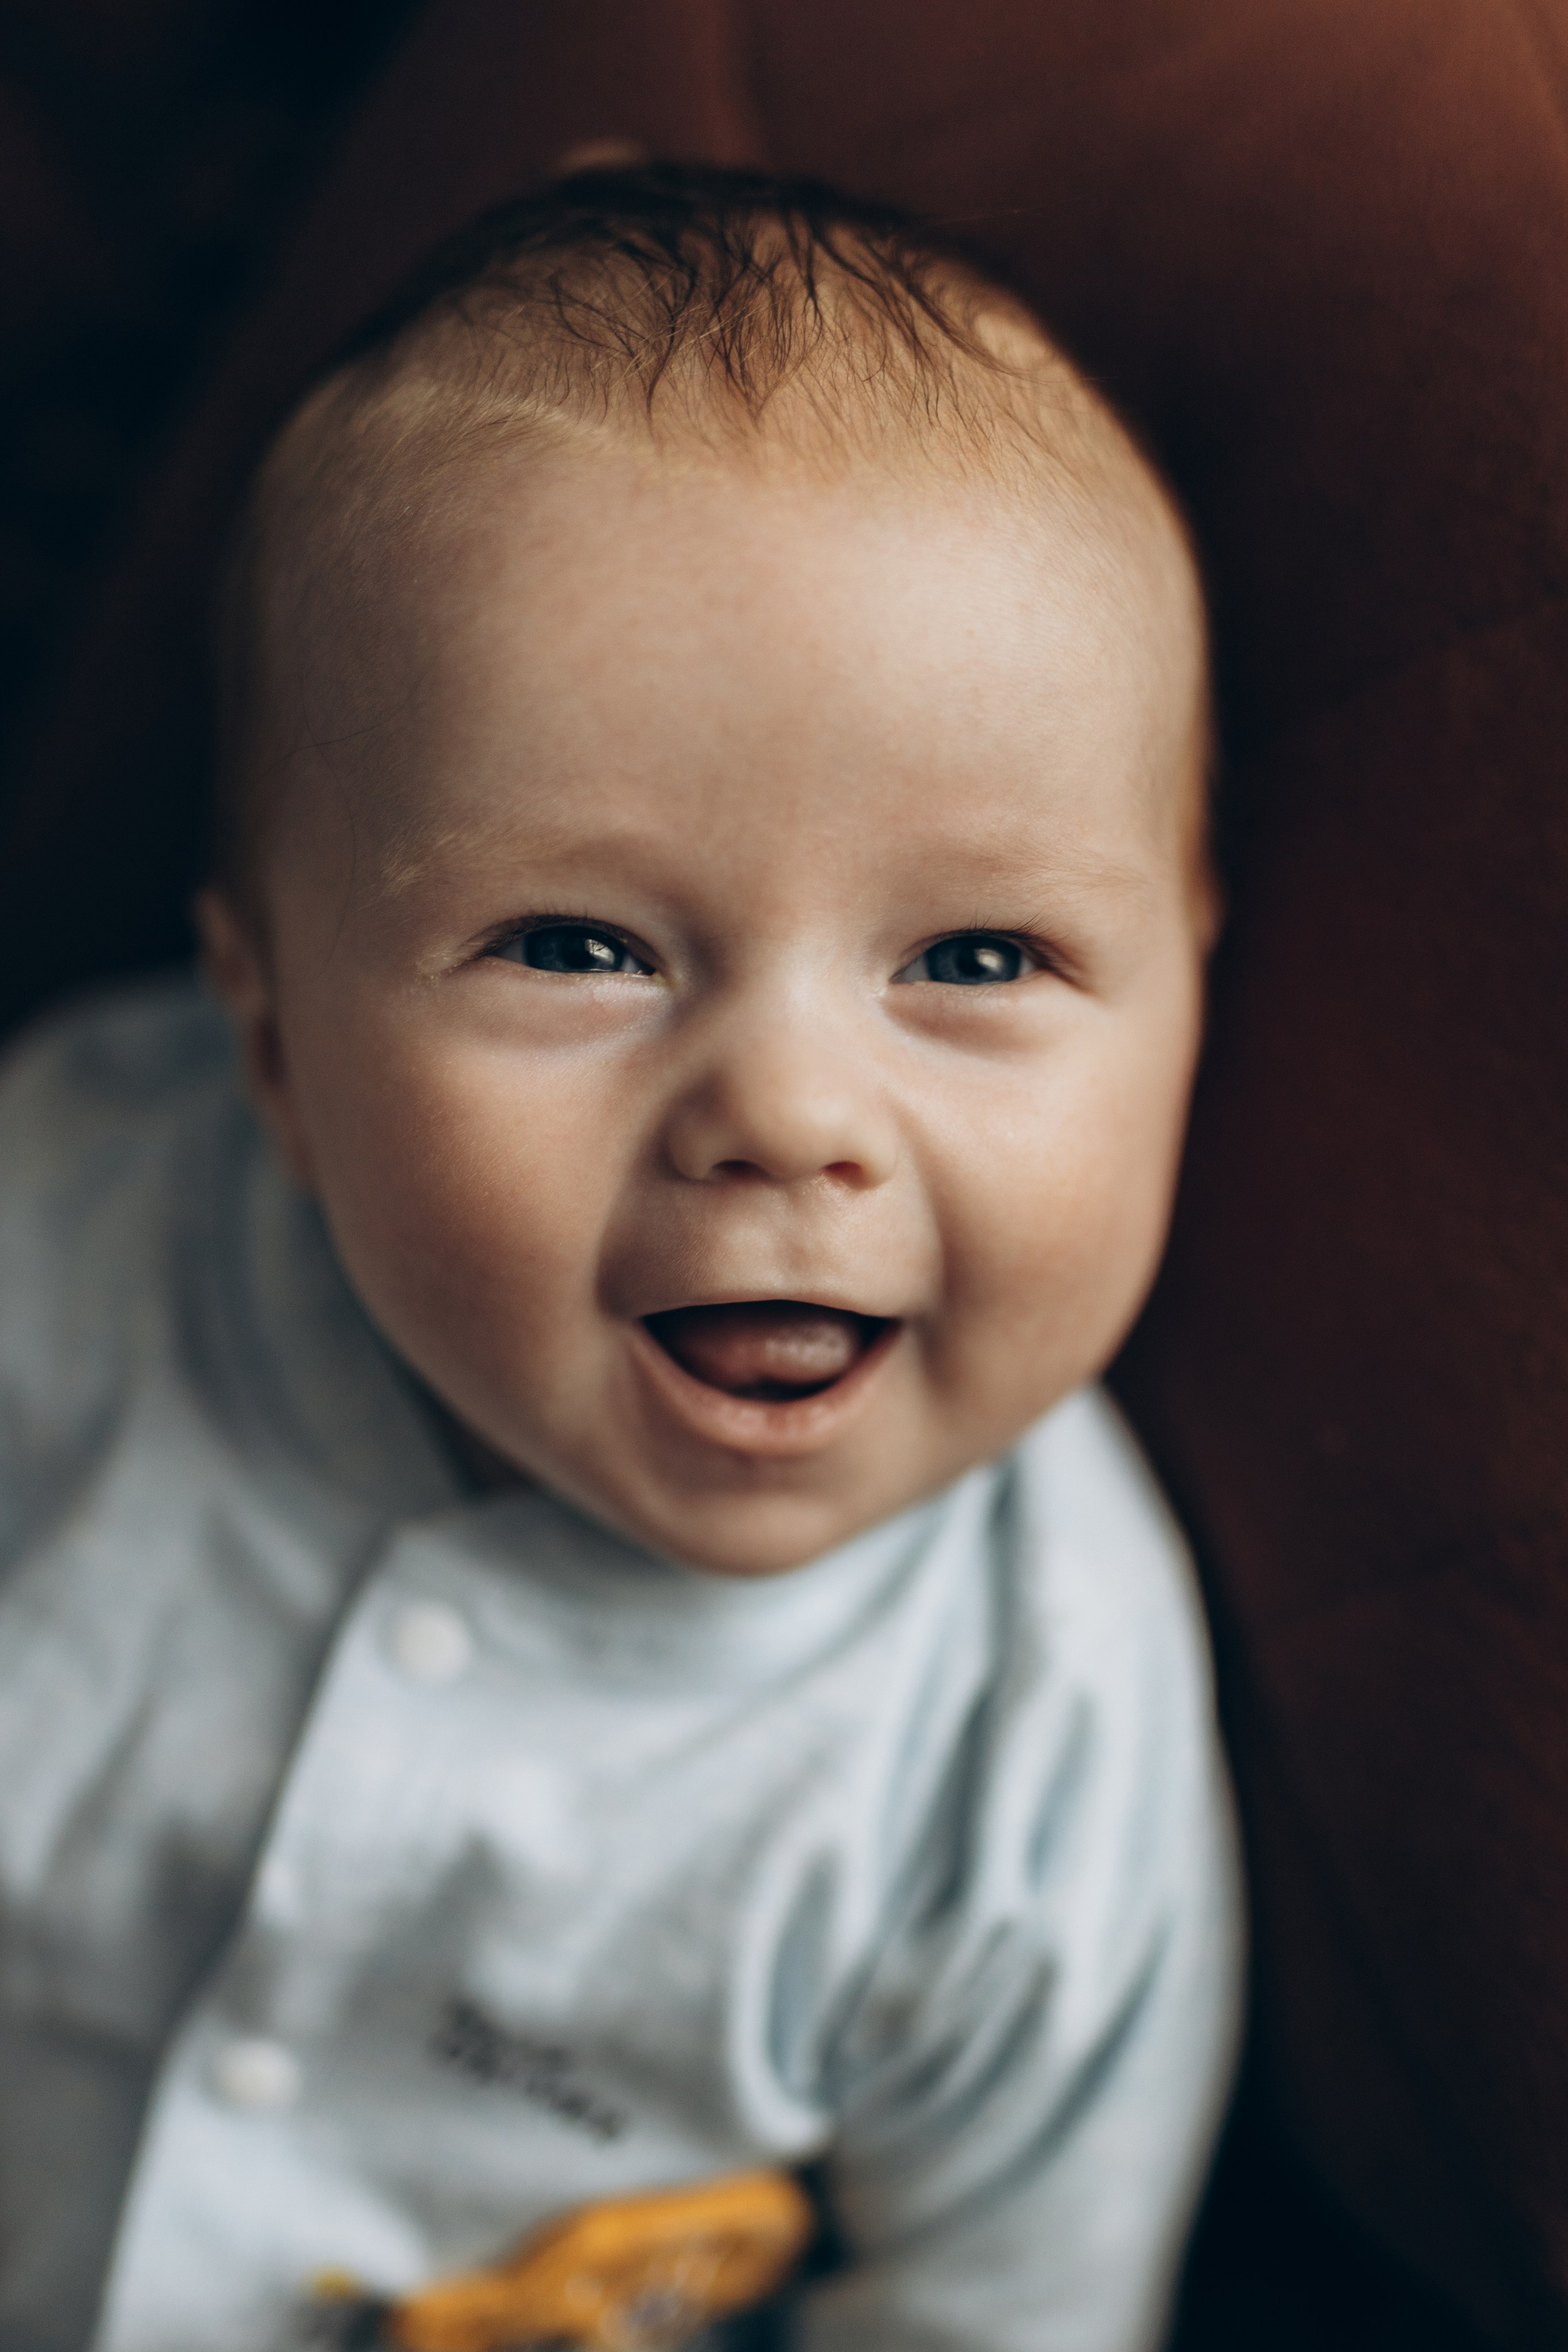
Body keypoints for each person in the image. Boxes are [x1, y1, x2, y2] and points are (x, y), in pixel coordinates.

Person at [0, 165, 1240, 2352]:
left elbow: (1004, 2308)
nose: (787, 1112)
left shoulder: (1031, 1738)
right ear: (271, 1037)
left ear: (1189, 1003)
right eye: (579, 945)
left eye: (975, 954)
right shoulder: (72, 1239)